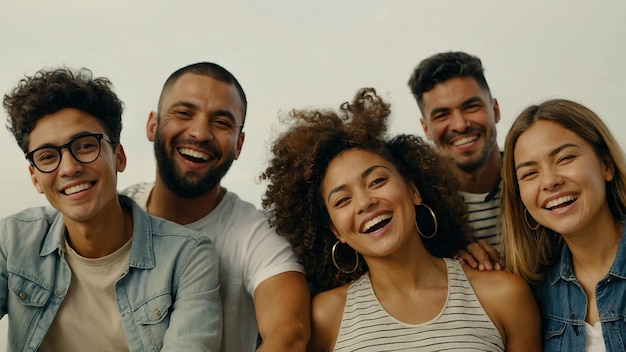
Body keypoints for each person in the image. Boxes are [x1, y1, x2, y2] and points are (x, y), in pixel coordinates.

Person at [261, 88, 541, 351]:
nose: (365, 202)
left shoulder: (504, 295)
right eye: (342, 200)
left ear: (413, 190)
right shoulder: (325, 316)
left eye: (377, 180)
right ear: (337, 231)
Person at [0, 68, 222, 351]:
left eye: (84, 146)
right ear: (35, 178)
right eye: (47, 156)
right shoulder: (13, 240)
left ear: (119, 156)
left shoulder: (187, 258)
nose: (69, 168)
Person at [122, 62, 310, 351]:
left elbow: (290, 333)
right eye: (184, 113)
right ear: (152, 125)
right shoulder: (117, 213)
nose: (200, 133)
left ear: (239, 145)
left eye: (221, 123)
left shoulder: (254, 234)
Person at [501, 99, 626, 351]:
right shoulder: (533, 296)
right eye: (529, 173)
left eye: (565, 158)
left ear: (606, 165)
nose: (549, 181)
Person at [408, 51, 503, 270]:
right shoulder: (418, 208)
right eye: (442, 115)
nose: (460, 125)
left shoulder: (536, 182)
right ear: (426, 129)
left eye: (471, 107)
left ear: (495, 110)